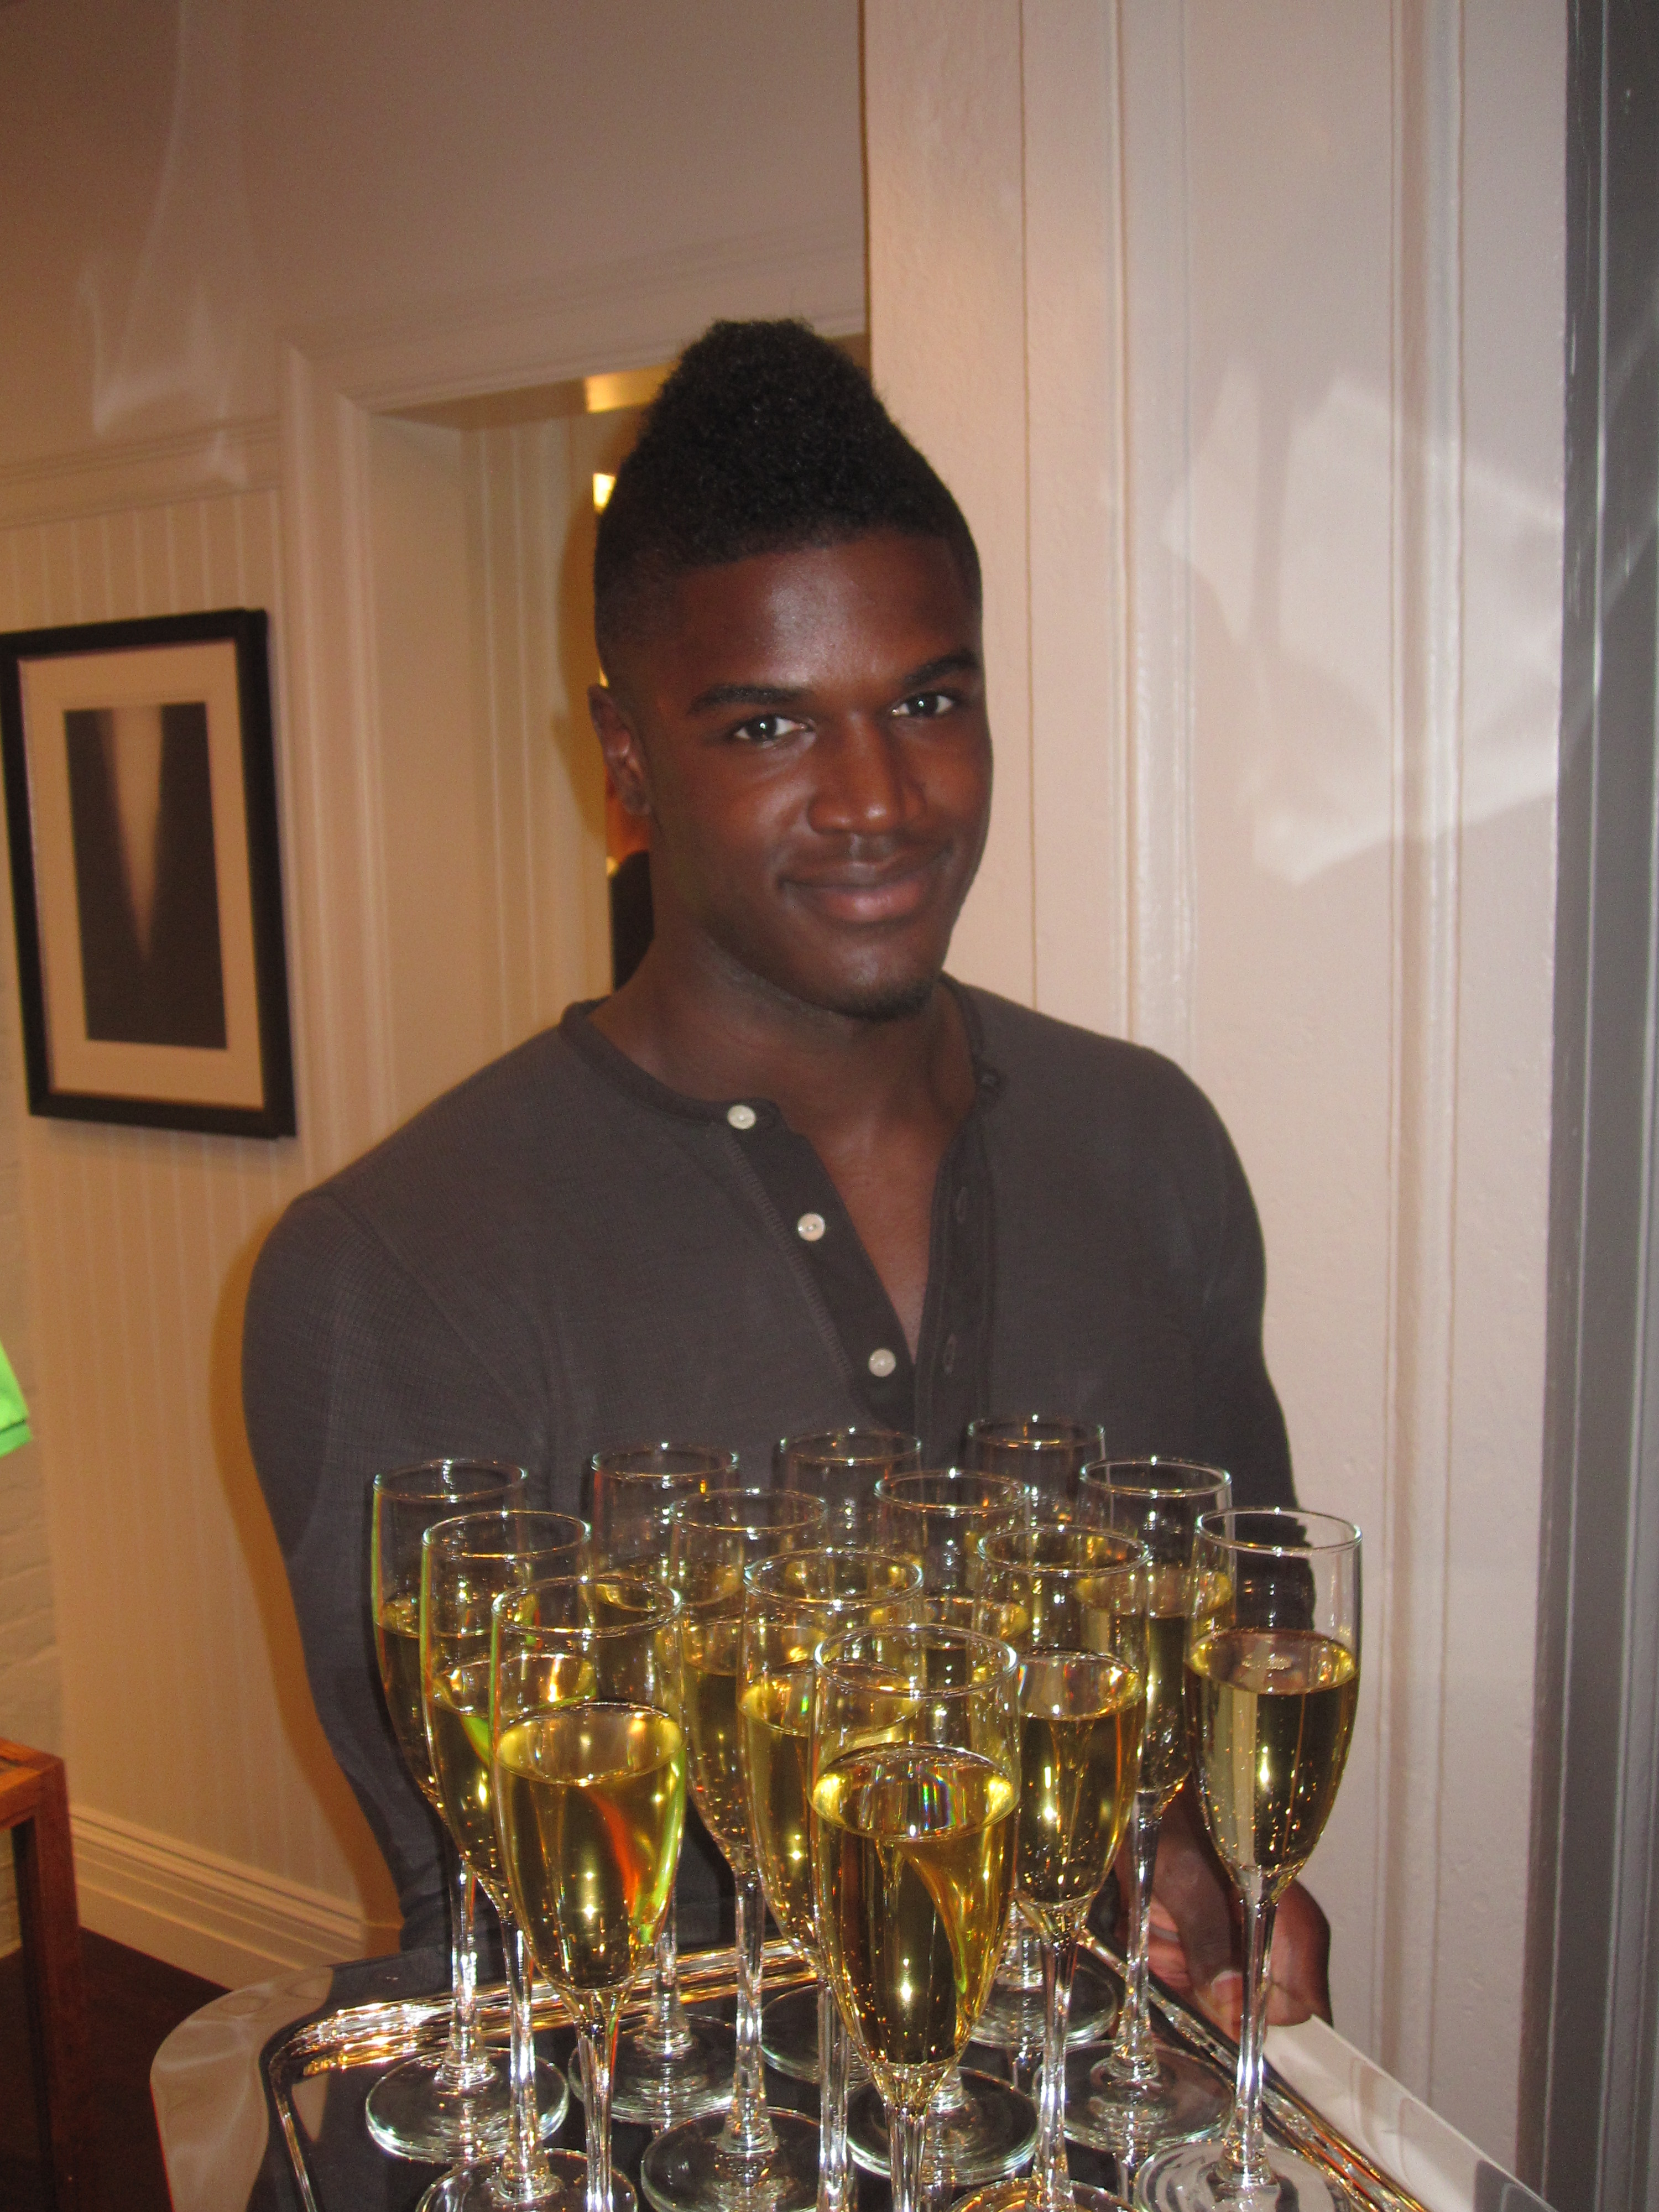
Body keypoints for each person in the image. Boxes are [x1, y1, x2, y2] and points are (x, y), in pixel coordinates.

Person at [242, 317, 1328, 2026]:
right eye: (767, 729)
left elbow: (1232, 1659)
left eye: (929, 702)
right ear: (626, 765)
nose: (878, 797)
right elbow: (485, 1914)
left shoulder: (1155, 1145)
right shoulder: (395, 1267)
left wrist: (1208, 1870)